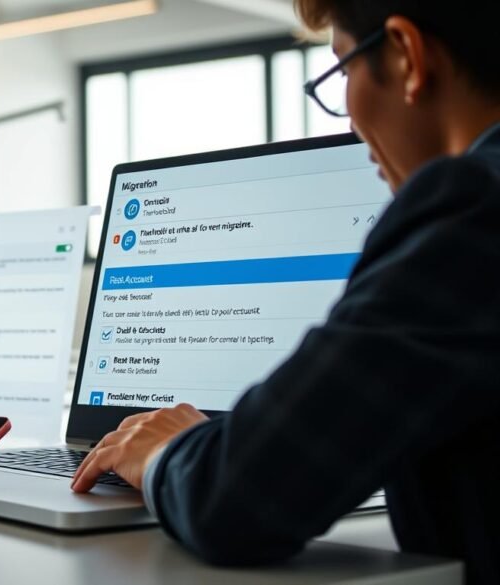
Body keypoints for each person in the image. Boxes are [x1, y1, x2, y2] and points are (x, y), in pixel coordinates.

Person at [71, 1, 500, 582]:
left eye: (343, 70)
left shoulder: (472, 205)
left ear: (406, 56)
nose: (352, 124)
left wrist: (166, 450)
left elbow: (237, 497)